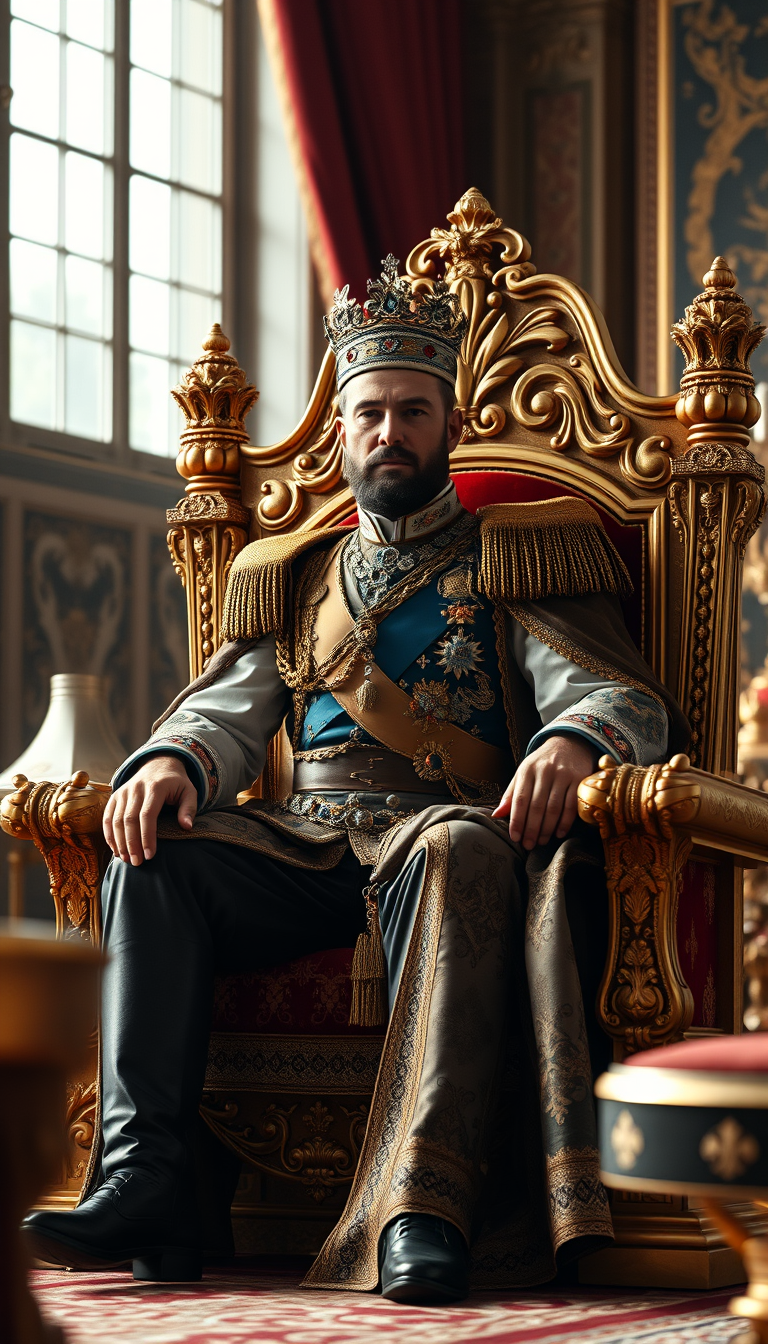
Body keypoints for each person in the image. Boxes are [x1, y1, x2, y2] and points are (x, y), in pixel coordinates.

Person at [23, 257, 687, 1303]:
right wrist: (165, 762)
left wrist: (570, 745)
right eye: (370, 412)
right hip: (306, 845)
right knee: (155, 861)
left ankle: (426, 1207)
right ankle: (150, 1177)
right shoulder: (292, 578)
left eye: (412, 412)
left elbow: (623, 700)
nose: (390, 432)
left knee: (462, 845)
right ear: (342, 428)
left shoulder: (522, 556)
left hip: (448, 838)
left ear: (450, 422)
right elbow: (225, 712)